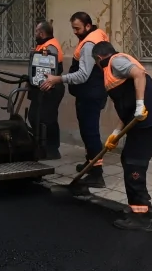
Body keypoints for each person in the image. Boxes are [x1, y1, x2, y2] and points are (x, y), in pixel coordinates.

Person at [91, 41, 152, 232]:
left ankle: (140, 217)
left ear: (99, 58)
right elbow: (126, 107)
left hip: (147, 120)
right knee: (128, 159)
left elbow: (139, 74)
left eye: (95, 62)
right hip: (142, 121)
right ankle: (145, 206)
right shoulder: (114, 71)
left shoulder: (116, 61)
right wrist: (116, 133)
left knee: (134, 163)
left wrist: (140, 105)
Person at [41, 12, 109, 187]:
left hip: (90, 94)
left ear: (88, 26)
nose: (75, 32)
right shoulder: (96, 35)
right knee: (88, 130)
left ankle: (97, 174)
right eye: (73, 28)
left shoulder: (89, 44)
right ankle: (90, 162)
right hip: (93, 92)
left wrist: (58, 79)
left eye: (77, 28)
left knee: (90, 132)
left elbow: (82, 75)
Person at [29, 20, 64, 160]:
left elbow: (49, 69)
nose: (35, 34)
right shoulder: (44, 45)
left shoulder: (50, 47)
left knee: (48, 119)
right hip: (42, 87)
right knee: (36, 117)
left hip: (50, 88)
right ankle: (42, 147)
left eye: (36, 31)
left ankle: (52, 150)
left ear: (42, 33)